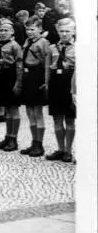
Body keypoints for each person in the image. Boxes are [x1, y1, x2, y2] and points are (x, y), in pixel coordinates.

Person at [0, 19, 24, 152]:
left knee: (13, 109)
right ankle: (7, 136)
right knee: (7, 110)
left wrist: (18, 83)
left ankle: (14, 139)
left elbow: (19, 65)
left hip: (11, 77)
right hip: (1, 78)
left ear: (12, 32)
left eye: (6, 30)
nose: (3, 33)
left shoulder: (15, 46)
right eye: (1, 30)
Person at [18, 16, 50, 157]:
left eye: (32, 29)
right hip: (28, 77)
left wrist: (46, 81)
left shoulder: (43, 42)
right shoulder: (28, 41)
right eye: (27, 29)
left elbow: (47, 63)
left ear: (40, 29)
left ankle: (40, 144)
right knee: (29, 112)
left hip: (37, 77)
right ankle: (34, 142)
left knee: (37, 113)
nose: (29, 32)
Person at [45, 18, 76, 162]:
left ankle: (68, 151)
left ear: (74, 31)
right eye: (61, 31)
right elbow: (47, 67)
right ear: (57, 31)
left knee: (70, 120)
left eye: (67, 31)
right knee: (57, 119)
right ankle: (60, 148)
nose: (64, 34)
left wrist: (76, 91)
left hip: (70, 85)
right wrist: (46, 84)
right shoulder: (52, 48)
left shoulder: (79, 48)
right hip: (56, 85)